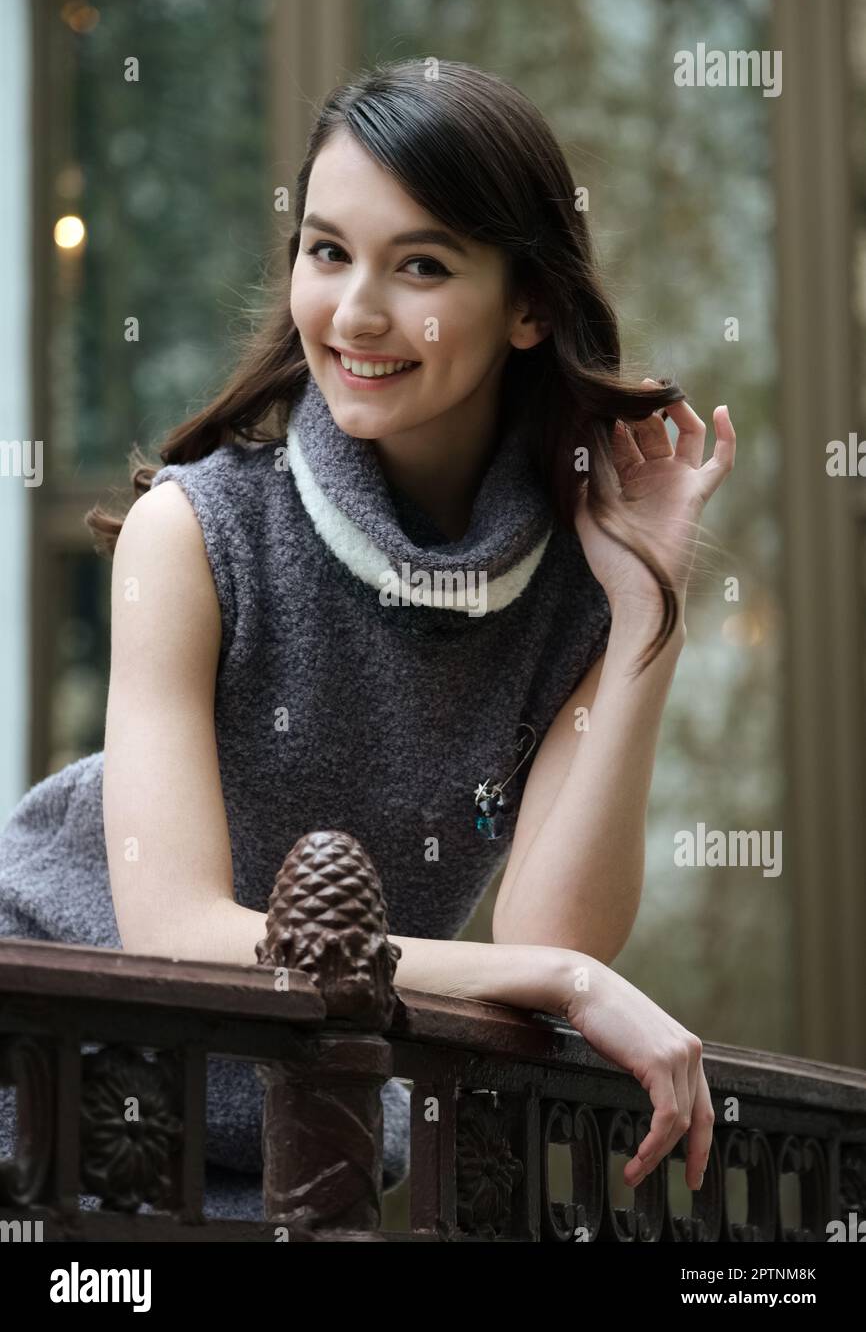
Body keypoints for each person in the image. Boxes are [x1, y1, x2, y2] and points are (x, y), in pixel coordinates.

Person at [0, 59, 735, 1224]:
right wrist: (568, 980)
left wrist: (646, 612)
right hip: (45, 1065)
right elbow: (180, 937)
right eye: (327, 251)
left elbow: (550, 937)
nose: (353, 312)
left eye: (423, 266)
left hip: (295, 1130)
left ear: (528, 305)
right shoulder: (191, 533)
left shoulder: (570, 595)